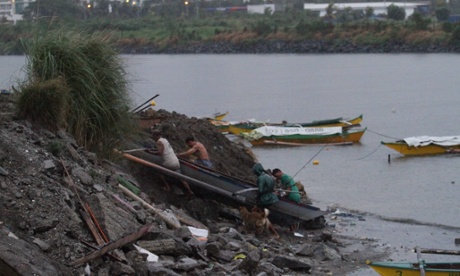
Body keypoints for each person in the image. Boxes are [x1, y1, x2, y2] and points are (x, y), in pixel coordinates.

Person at [148, 130, 194, 197]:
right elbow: (165, 150)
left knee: (159, 171)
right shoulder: (165, 140)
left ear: (156, 136)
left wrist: (151, 152)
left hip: (169, 163)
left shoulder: (159, 142)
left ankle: (167, 187)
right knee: (181, 177)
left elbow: (160, 152)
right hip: (176, 162)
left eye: (153, 136)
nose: (153, 138)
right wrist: (154, 150)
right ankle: (190, 191)